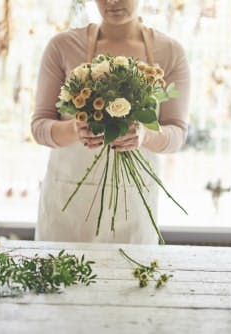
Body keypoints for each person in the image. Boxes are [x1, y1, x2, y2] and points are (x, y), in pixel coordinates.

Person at [31, 0, 190, 244]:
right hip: (68, 202)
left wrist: (146, 135)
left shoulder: (169, 52)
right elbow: (40, 126)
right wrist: (74, 129)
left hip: (132, 205)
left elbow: (177, 133)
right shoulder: (63, 46)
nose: (112, 2)